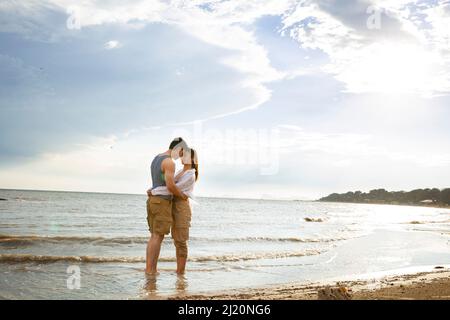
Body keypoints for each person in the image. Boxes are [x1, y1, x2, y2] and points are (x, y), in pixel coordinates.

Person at [145, 137, 188, 274]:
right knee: (158, 236)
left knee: (154, 236)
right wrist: (181, 195)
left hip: (153, 200)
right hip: (161, 202)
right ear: (179, 148)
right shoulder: (169, 162)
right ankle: (151, 270)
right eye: (182, 152)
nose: (181, 156)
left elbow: (158, 182)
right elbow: (170, 185)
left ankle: (149, 269)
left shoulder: (156, 158)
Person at [151, 148, 198, 274]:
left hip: (182, 207)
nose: (182, 157)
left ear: (193, 159)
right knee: (175, 240)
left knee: (181, 241)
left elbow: (172, 188)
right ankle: (179, 272)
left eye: (186, 155)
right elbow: (168, 183)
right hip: (172, 204)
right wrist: (153, 188)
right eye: (183, 155)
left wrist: (153, 191)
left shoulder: (190, 175)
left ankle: (180, 273)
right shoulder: (181, 171)